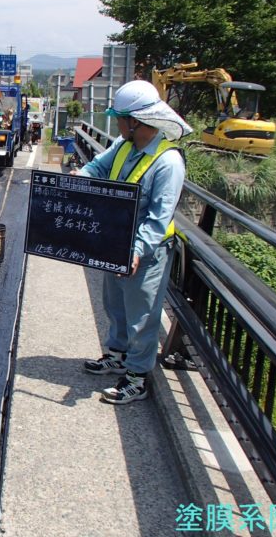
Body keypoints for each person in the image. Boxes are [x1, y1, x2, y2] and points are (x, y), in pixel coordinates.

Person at [74, 80, 192, 405]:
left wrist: (137, 250)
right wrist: (79, 179)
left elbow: (159, 217)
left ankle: (138, 377)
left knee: (142, 313)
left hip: (146, 251)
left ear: (136, 120)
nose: (116, 123)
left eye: (119, 118)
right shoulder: (124, 145)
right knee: (114, 303)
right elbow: (98, 166)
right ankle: (118, 355)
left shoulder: (168, 162)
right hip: (115, 239)